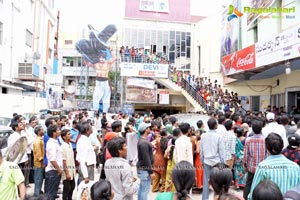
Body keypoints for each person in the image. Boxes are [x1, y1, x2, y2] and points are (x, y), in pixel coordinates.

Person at [248, 133, 300, 200]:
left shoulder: (262, 167)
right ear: (282, 146)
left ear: (266, 148)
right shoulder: (295, 167)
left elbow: (252, 194)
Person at [201, 118, 226, 200]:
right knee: (217, 183)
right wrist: (223, 163)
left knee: (206, 182)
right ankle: (216, 198)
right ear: (215, 125)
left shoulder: (203, 136)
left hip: (207, 161)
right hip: (217, 163)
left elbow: (202, 150)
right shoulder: (219, 136)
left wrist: (202, 161)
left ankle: (205, 198)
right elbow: (221, 151)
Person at [243, 119, 267, 200]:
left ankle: (246, 198)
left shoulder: (248, 140)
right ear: (261, 128)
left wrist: (245, 166)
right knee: (262, 185)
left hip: (251, 167)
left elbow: (246, 155)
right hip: (263, 167)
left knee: (249, 184)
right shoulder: (265, 139)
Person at [44, 124, 63, 200]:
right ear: (54, 133)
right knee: (50, 194)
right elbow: (52, 159)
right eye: (58, 130)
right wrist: (59, 170)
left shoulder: (55, 142)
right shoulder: (51, 143)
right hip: (53, 171)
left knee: (53, 193)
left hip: (55, 171)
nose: (59, 131)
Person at [136, 122, 154, 200]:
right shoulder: (143, 143)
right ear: (146, 130)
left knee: (142, 188)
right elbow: (146, 158)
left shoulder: (143, 141)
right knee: (144, 190)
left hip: (143, 168)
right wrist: (151, 172)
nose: (149, 129)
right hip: (144, 169)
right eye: (148, 128)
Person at [61, 129, 76, 200]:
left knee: (72, 186)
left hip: (72, 170)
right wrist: (67, 173)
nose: (71, 135)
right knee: (67, 189)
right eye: (69, 134)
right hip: (67, 171)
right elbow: (63, 161)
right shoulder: (63, 147)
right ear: (64, 137)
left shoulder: (69, 144)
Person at [33, 125, 45, 195]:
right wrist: (42, 162)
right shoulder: (37, 141)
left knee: (40, 178)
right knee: (38, 179)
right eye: (42, 130)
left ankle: (39, 191)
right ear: (38, 132)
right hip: (39, 163)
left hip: (40, 162)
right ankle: (37, 194)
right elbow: (38, 153)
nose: (43, 131)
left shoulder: (40, 139)